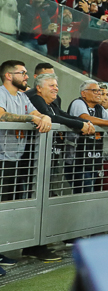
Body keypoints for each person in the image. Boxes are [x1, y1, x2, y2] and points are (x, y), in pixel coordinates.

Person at [0, 60, 55, 266]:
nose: (26, 76)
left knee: (9, 205)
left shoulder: (23, 96)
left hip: (16, 158)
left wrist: (44, 118)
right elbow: (2, 115)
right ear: (8, 75)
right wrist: (30, 119)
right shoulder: (1, 93)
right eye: (22, 73)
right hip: (2, 159)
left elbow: (37, 114)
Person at [28, 73, 94, 135]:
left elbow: (65, 116)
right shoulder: (35, 99)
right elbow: (51, 117)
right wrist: (80, 125)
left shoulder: (52, 104)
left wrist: (87, 122)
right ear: (39, 88)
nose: (56, 88)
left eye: (56, 86)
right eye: (51, 86)